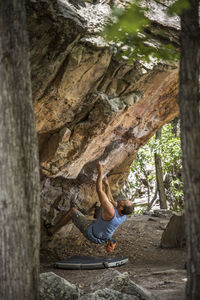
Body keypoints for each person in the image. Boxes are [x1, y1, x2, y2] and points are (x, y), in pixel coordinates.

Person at [47, 162, 134, 252]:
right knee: (105, 205)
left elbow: (99, 190)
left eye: (124, 201)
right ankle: (98, 216)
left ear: (121, 208)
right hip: (103, 234)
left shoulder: (111, 211)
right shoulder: (123, 215)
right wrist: (107, 185)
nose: (123, 199)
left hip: (92, 233)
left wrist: (100, 172)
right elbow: (111, 200)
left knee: (73, 211)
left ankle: (51, 230)